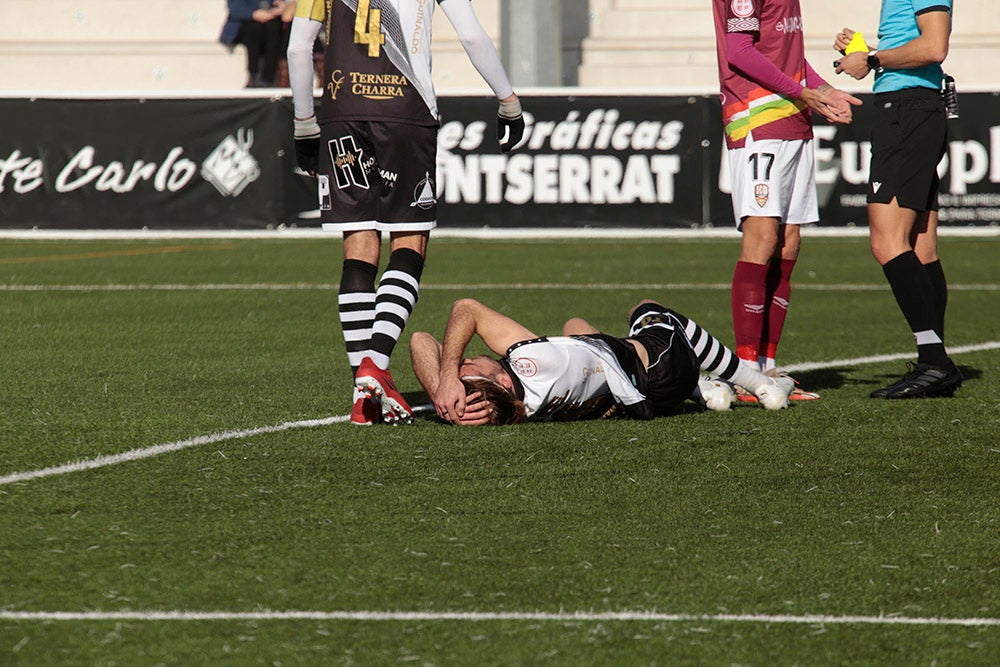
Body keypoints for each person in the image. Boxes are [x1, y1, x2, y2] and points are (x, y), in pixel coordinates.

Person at [286, 0, 526, 425]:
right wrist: (507, 100)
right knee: (409, 242)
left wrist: (305, 123)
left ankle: (366, 392)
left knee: (358, 246)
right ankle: (374, 365)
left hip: (343, 112)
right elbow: (471, 35)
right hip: (406, 112)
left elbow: (297, 47)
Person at [712, 0, 862, 403]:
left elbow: (789, 60)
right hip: (758, 120)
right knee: (762, 237)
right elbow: (740, 52)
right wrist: (805, 93)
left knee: (789, 241)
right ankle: (747, 374)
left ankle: (768, 366)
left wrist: (824, 91)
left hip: (794, 121)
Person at [833, 2, 962, 399]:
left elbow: (934, 46)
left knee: (887, 243)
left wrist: (870, 58)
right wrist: (865, 51)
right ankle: (933, 361)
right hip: (915, 108)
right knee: (921, 248)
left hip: (907, 111)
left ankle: (934, 361)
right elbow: (916, 42)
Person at [409, 298, 797, 426]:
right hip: (661, 369)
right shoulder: (528, 359)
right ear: (503, 382)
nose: (464, 360)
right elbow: (465, 309)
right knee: (648, 311)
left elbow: (420, 340)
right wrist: (449, 376)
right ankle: (761, 384)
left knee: (575, 325)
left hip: (646, 399)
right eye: (467, 370)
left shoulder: (521, 407)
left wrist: (445, 394)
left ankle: (704, 390)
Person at [220, 0, 289, 88]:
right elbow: (235, 8)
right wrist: (253, 14)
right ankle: (253, 75)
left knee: (273, 28)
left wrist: (281, 7)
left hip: (271, 21)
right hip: (244, 23)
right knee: (254, 29)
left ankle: (268, 78)